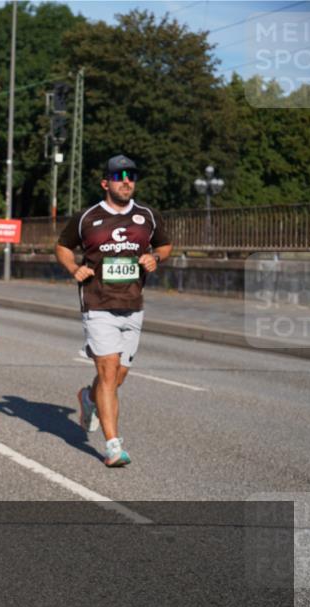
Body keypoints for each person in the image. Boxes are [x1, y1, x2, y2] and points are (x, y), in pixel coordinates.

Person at [55, 154, 173, 467]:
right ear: (106, 182)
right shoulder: (87, 217)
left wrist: (155, 259)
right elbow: (63, 246)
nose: (126, 181)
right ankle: (113, 446)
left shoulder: (147, 216)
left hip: (133, 305)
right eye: (119, 176)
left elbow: (164, 245)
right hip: (97, 303)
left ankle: (89, 398)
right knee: (107, 374)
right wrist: (73, 268)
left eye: (131, 176)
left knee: (117, 378)